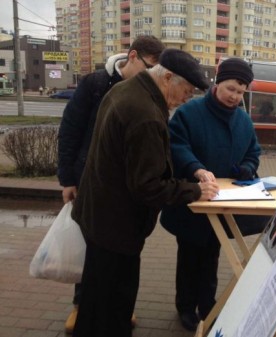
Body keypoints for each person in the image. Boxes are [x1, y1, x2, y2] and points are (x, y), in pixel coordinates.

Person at [70, 48, 219, 337]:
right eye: (187, 91)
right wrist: (195, 191)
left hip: (99, 214)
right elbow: (148, 186)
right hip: (118, 224)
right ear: (168, 78)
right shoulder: (146, 115)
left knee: (94, 297)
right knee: (115, 305)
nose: (187, 99)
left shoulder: (127, 89)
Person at [57, 35, 165, 333]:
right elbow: (70, 130)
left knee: (114, 255)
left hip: (119, 187)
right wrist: (67, 178)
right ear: (132, 57)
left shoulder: (145, 92)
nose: (152, 75)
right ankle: (81, 307)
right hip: (87, 178)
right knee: (90, 249)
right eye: (149, 67)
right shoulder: (95, 84)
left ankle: (117, 308)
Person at [160, 58, 262, 331]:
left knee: (212, 255)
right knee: (189, 256)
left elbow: (254, 151)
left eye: (241, 93)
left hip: (222, 203)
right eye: (231, 89)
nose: (235, 97)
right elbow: (176, 145)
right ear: (218, 84)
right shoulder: (190, 112)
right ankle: (185, 306)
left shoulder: (243, 120)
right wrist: (196, 169)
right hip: (192, 201)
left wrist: (248, 167)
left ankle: (207, 304)